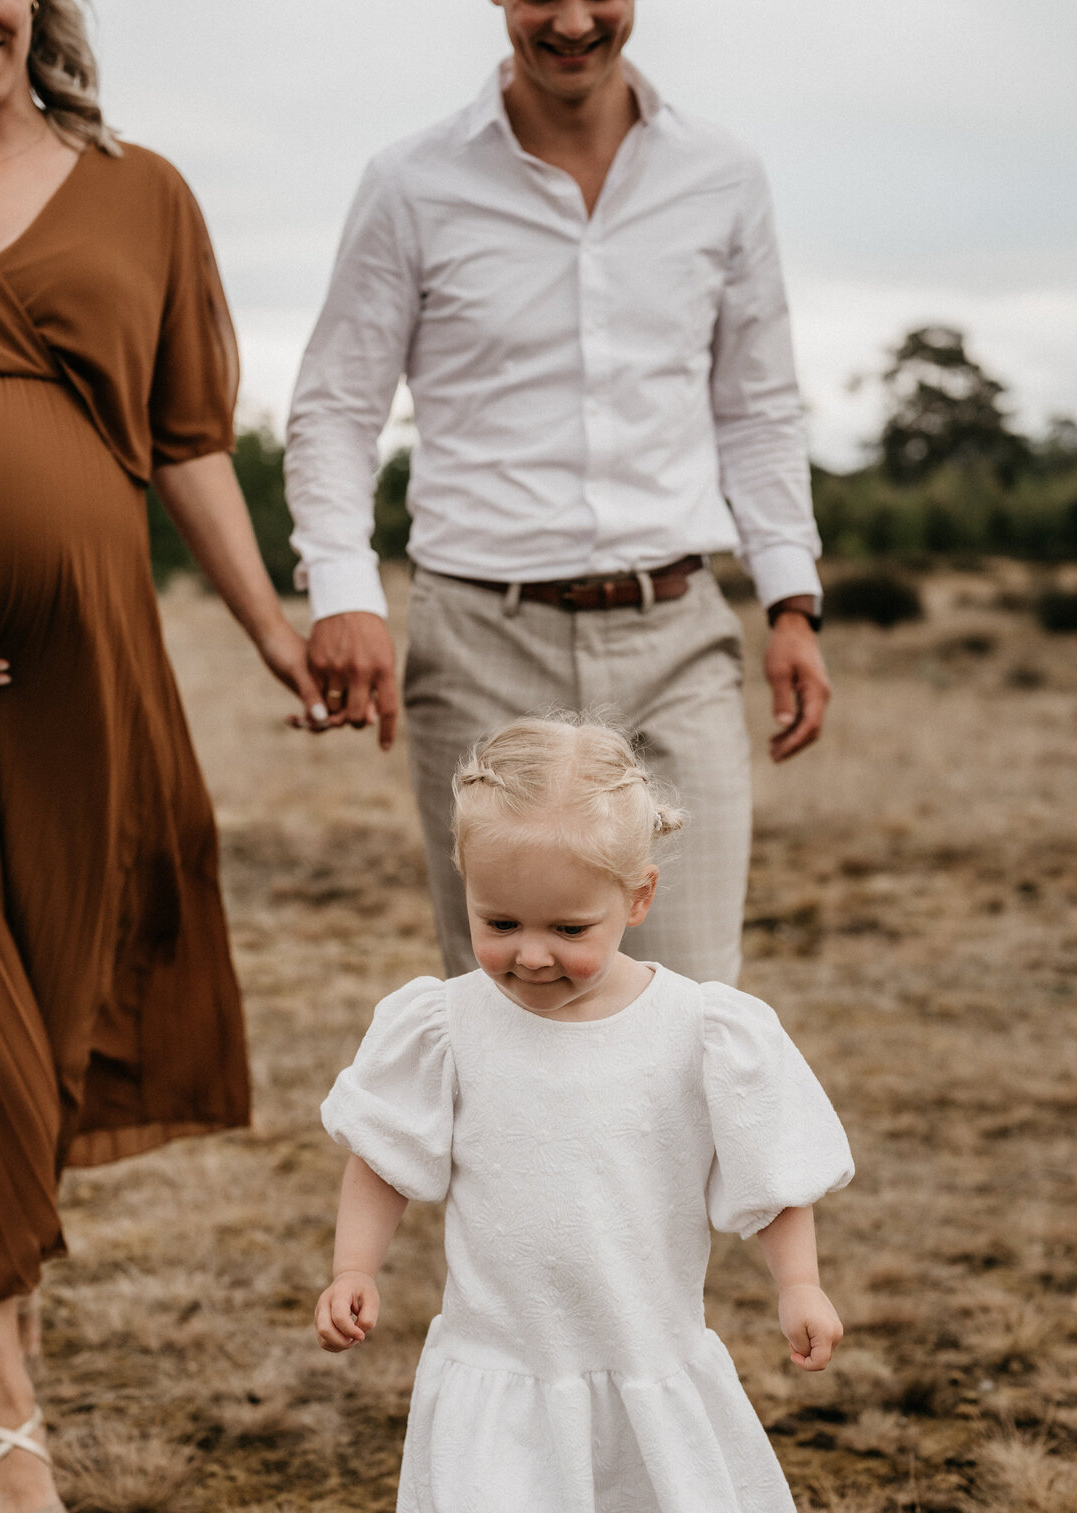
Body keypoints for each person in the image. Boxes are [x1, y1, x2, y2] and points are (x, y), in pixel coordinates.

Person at [0, 0, 329, 1513]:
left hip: (88, 673)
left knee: (55, 997)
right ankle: (4, 1404)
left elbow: (189, 439)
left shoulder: (144, 190)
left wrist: (277, 629)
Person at [315, 718, 852, 1513]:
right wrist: (355, 1264)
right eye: (497, 920)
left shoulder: (701, 1031)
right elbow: (383, 1157)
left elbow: (773, 1171)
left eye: (570, 925)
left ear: (640, 898)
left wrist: (797, 1280)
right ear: (463, 884)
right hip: (501, 1362)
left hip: (636, 1349)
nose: (528, 952)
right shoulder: (447, 1025)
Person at [286, 0, 833, 988]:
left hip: (676, 638)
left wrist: (793, 605)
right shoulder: (411, 185)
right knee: (512, 999)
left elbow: (756, 409)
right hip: (482, 642)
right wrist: (343, 592)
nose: (574, 20)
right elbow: (335, 407)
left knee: (692, 1004)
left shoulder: (723, 176)